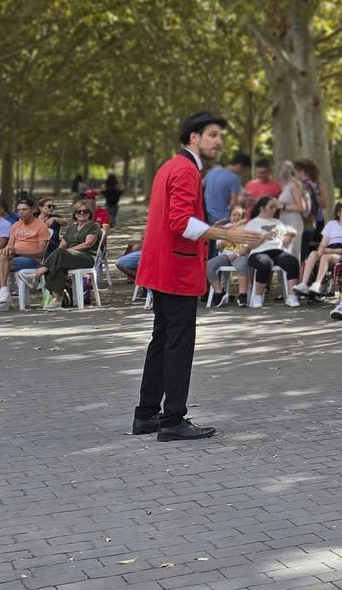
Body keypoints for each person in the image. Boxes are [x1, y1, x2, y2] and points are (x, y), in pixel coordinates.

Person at [133, 111, 264, 442]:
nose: (219, 141)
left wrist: (218, 231)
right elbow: (180, 222)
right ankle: (172, 419)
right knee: (179, 343)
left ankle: (147, 415)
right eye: (213, 135)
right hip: (176, 267)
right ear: (194, 137)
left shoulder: (172, 166)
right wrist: (223, 231)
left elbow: (176, 221)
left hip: (162, 266)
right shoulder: (186, 170)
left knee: (162, 340)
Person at [0, 198, 52, 309]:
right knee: (0, 257)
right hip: (15, 258)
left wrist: (17, 251)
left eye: (24, 209)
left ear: (33, 210)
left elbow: (41, 252)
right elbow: (10, 245)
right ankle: (4, 295)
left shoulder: (41, 226)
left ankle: (4, 299)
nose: (21, 212)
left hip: (33, 260)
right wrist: (6, 250)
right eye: (18, 210)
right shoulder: (15, 225)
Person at [45, 201, 105, 308]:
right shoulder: (71, 228)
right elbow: (61, 246)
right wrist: (62, 253)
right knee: (57, 263)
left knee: (58, 257)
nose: (82, 213)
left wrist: (67, 251)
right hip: (69, 257)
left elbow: (88, 244)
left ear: (90, 213)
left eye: (85, 211)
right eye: (79, 211)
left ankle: (40, 271)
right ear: (75, 214)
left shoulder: (93, 226)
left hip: (86, 257)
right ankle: (57, 299)